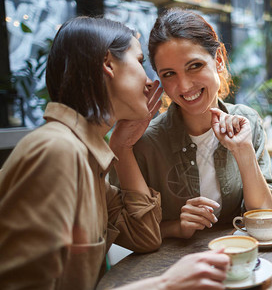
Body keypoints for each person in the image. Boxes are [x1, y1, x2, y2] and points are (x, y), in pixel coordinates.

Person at [0, 16, 229, 290]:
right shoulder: (57, 151)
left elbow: (145, 238)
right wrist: (166, 283)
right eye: (141, 62)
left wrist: (122, 147)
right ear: (108, 64)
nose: (149, 82)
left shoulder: (87, 157)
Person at [110, 9, 272, 240]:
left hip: (242, 257)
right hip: (172, 267)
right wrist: (176, 227)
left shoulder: (246, 121)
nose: (183, 86)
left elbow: (263, 216)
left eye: (194, 66)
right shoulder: (144, 142)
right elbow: (126, 230)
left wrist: (243, 151)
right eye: (169, 74)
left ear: (218, 59)